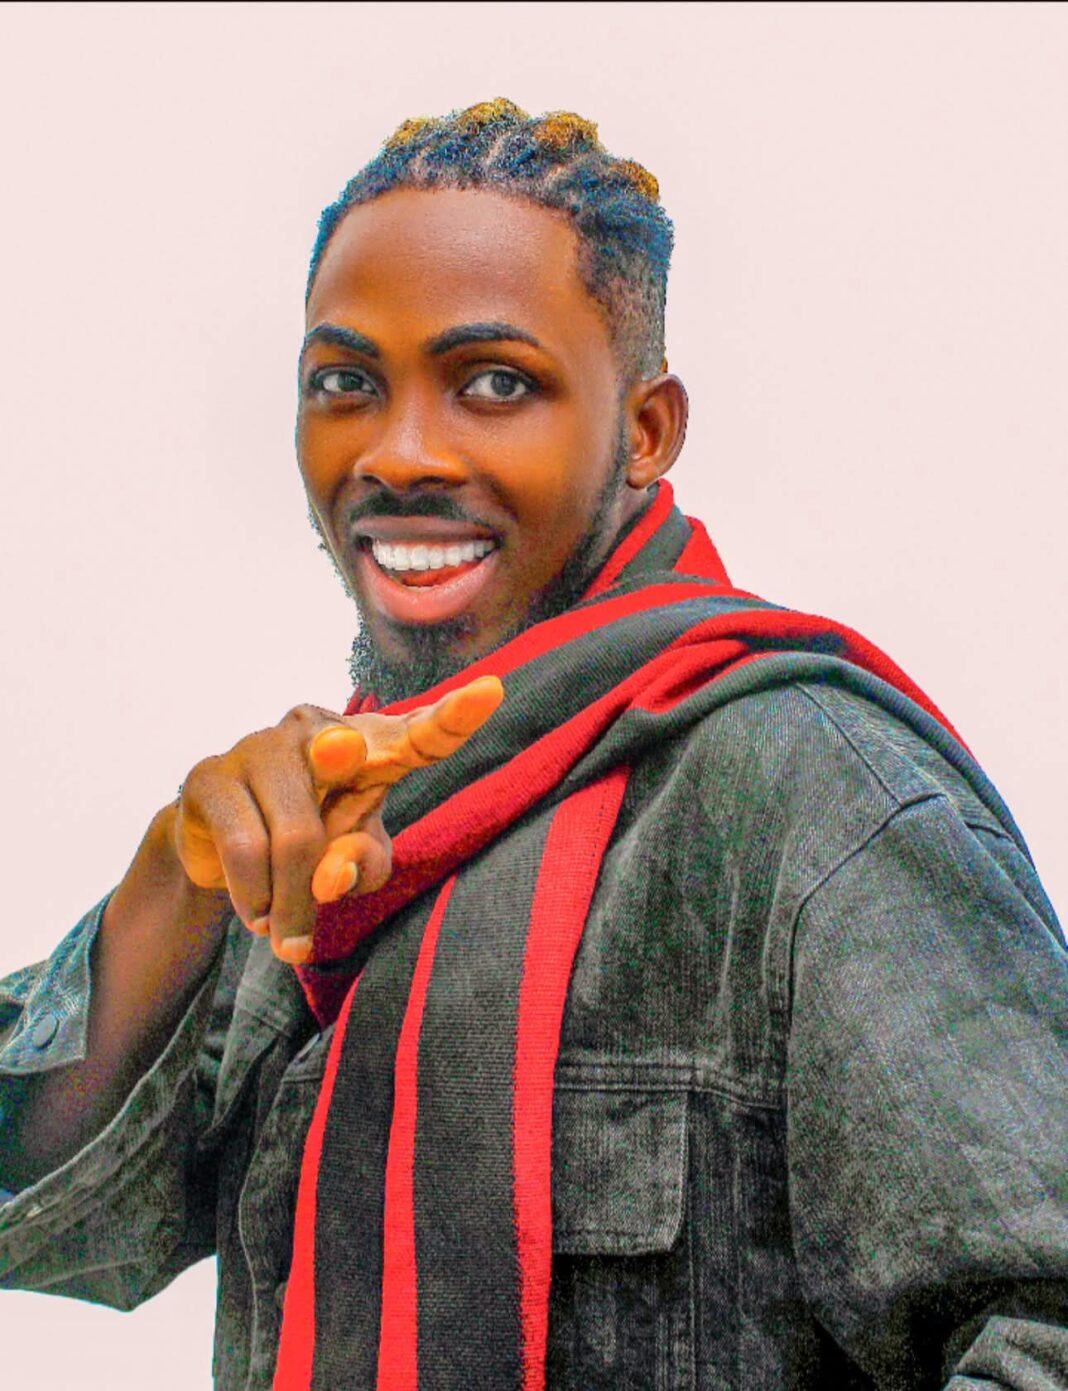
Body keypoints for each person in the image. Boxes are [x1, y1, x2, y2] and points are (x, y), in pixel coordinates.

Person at [1, 98, 1065, 1391]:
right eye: (346, 384)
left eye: (495, 384)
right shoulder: (332, 831)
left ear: (647, 430)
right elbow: (41, 1217)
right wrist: (175, 884)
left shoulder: (807, 797)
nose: (399, 453)